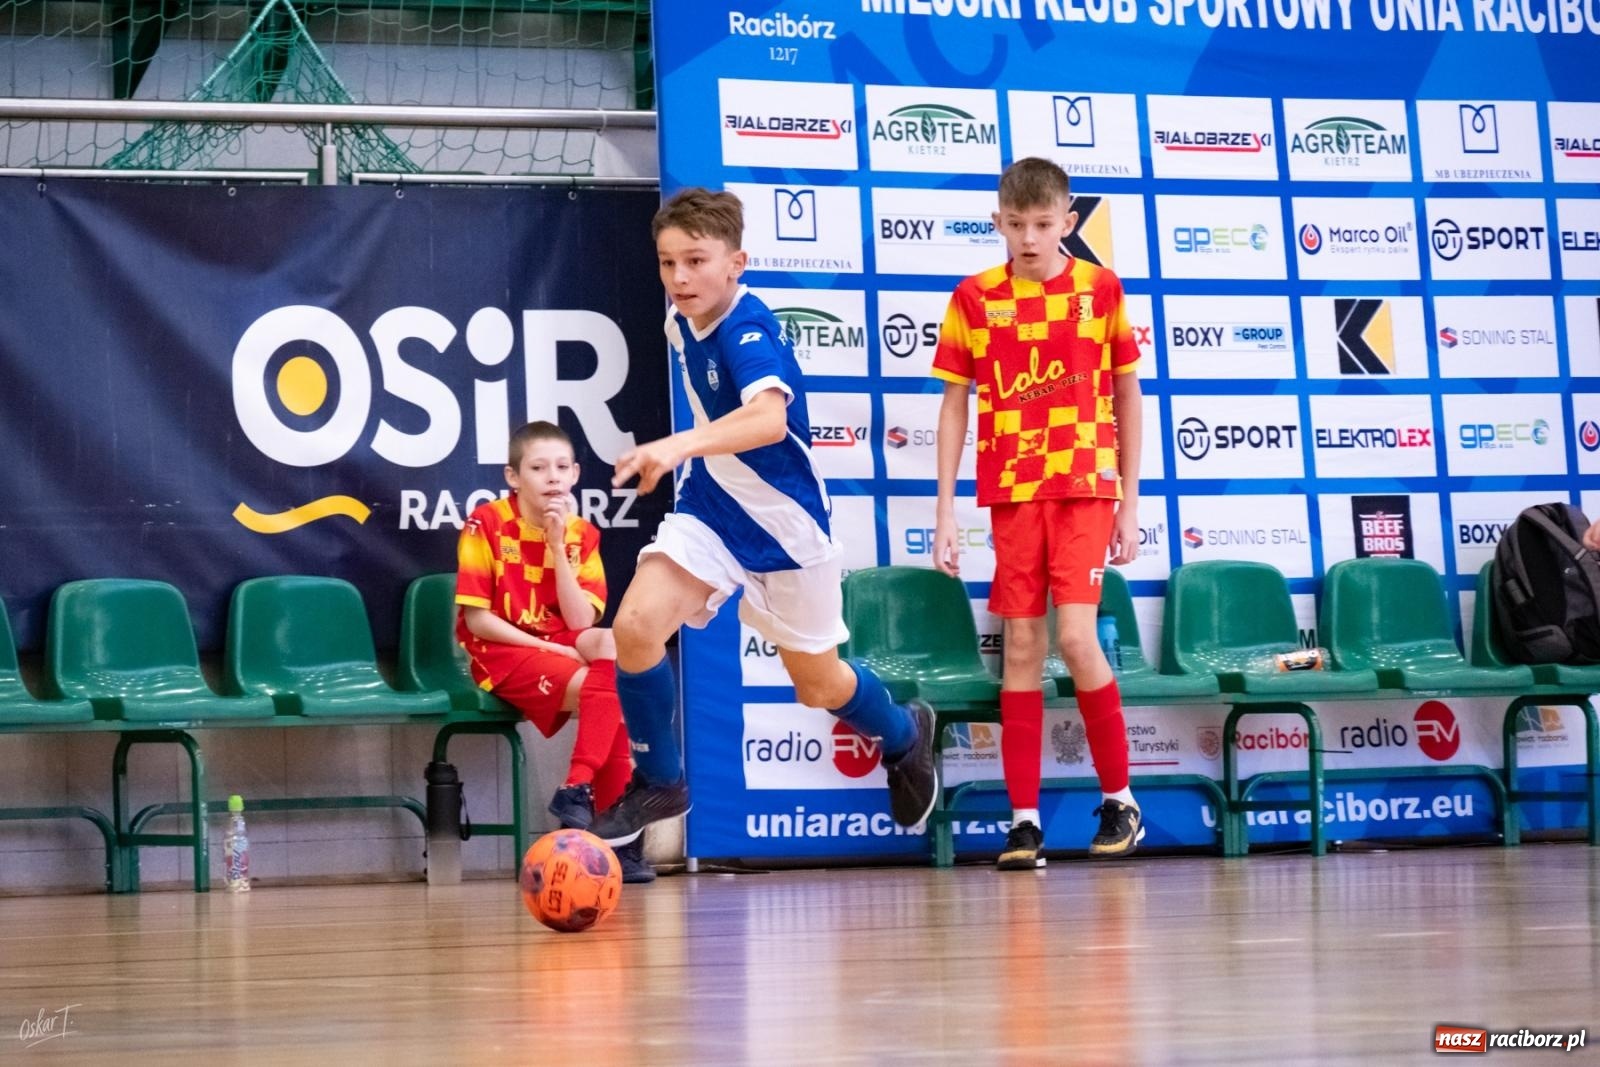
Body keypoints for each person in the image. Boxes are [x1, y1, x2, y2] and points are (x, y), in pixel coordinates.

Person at [587, 187, 938, 847]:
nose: (680, 277)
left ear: (736, 263)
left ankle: (903, 733)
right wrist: (693, 459)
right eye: (667, 262)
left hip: (787, 530)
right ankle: (662, 780)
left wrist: (677, 445)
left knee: (818, 686)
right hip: (713, 510)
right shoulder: (680, 318)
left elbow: (770, 419)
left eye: (696, 261)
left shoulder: (748, 330)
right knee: (634, 627)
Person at [931, 157, 1144, 871]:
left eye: (1043, 224)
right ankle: (1024, 821)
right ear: (997, 222)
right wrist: (944, 511)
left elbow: (1127, 393)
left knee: (1077, 639)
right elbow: (954, 404)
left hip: (1085, 485)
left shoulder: (1100, 288)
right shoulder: (973, 297)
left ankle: (1120, 800)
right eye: (1016, 224)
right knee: (1021, 647)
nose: (1028, 238)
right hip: (1012, 491)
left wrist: (1129, 501)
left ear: (1068, 223)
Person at [455, 420, 654, 883]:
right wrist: (549, 648)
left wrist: (557, 545)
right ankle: (616, 845)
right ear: (513, 476)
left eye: (562, 468)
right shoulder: (485, 523)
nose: (553, 478)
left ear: (576, 474)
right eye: (539, 468)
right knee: (614, 693)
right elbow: (477, 621)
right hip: (501, 648)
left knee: (614, 644)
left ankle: (577, 787)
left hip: (561, 641)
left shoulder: (582, 533)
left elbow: (581, 621)